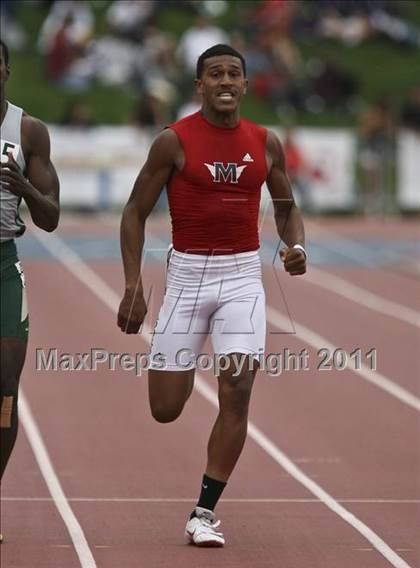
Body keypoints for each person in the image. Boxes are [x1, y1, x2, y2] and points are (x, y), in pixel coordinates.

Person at [118, 44, 306, 547]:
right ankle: (190, 359)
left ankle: (203, 511)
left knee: (238, 388)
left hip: (243, 276)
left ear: (245, 85)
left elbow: (285, 205)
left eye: (235, 74)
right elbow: (134, 212)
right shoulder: (173, 142)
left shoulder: (265, 143)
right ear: (199, 85)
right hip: (187, 276)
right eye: (215, 74)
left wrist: (296, 245)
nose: (226, 81)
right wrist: (134, 285)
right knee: (165, 408)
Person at [0, 39, 60, 541]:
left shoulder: (27, 130)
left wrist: (24, 187)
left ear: (6, 71)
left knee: (3, 390)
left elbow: (51, 218)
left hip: (1, 265)